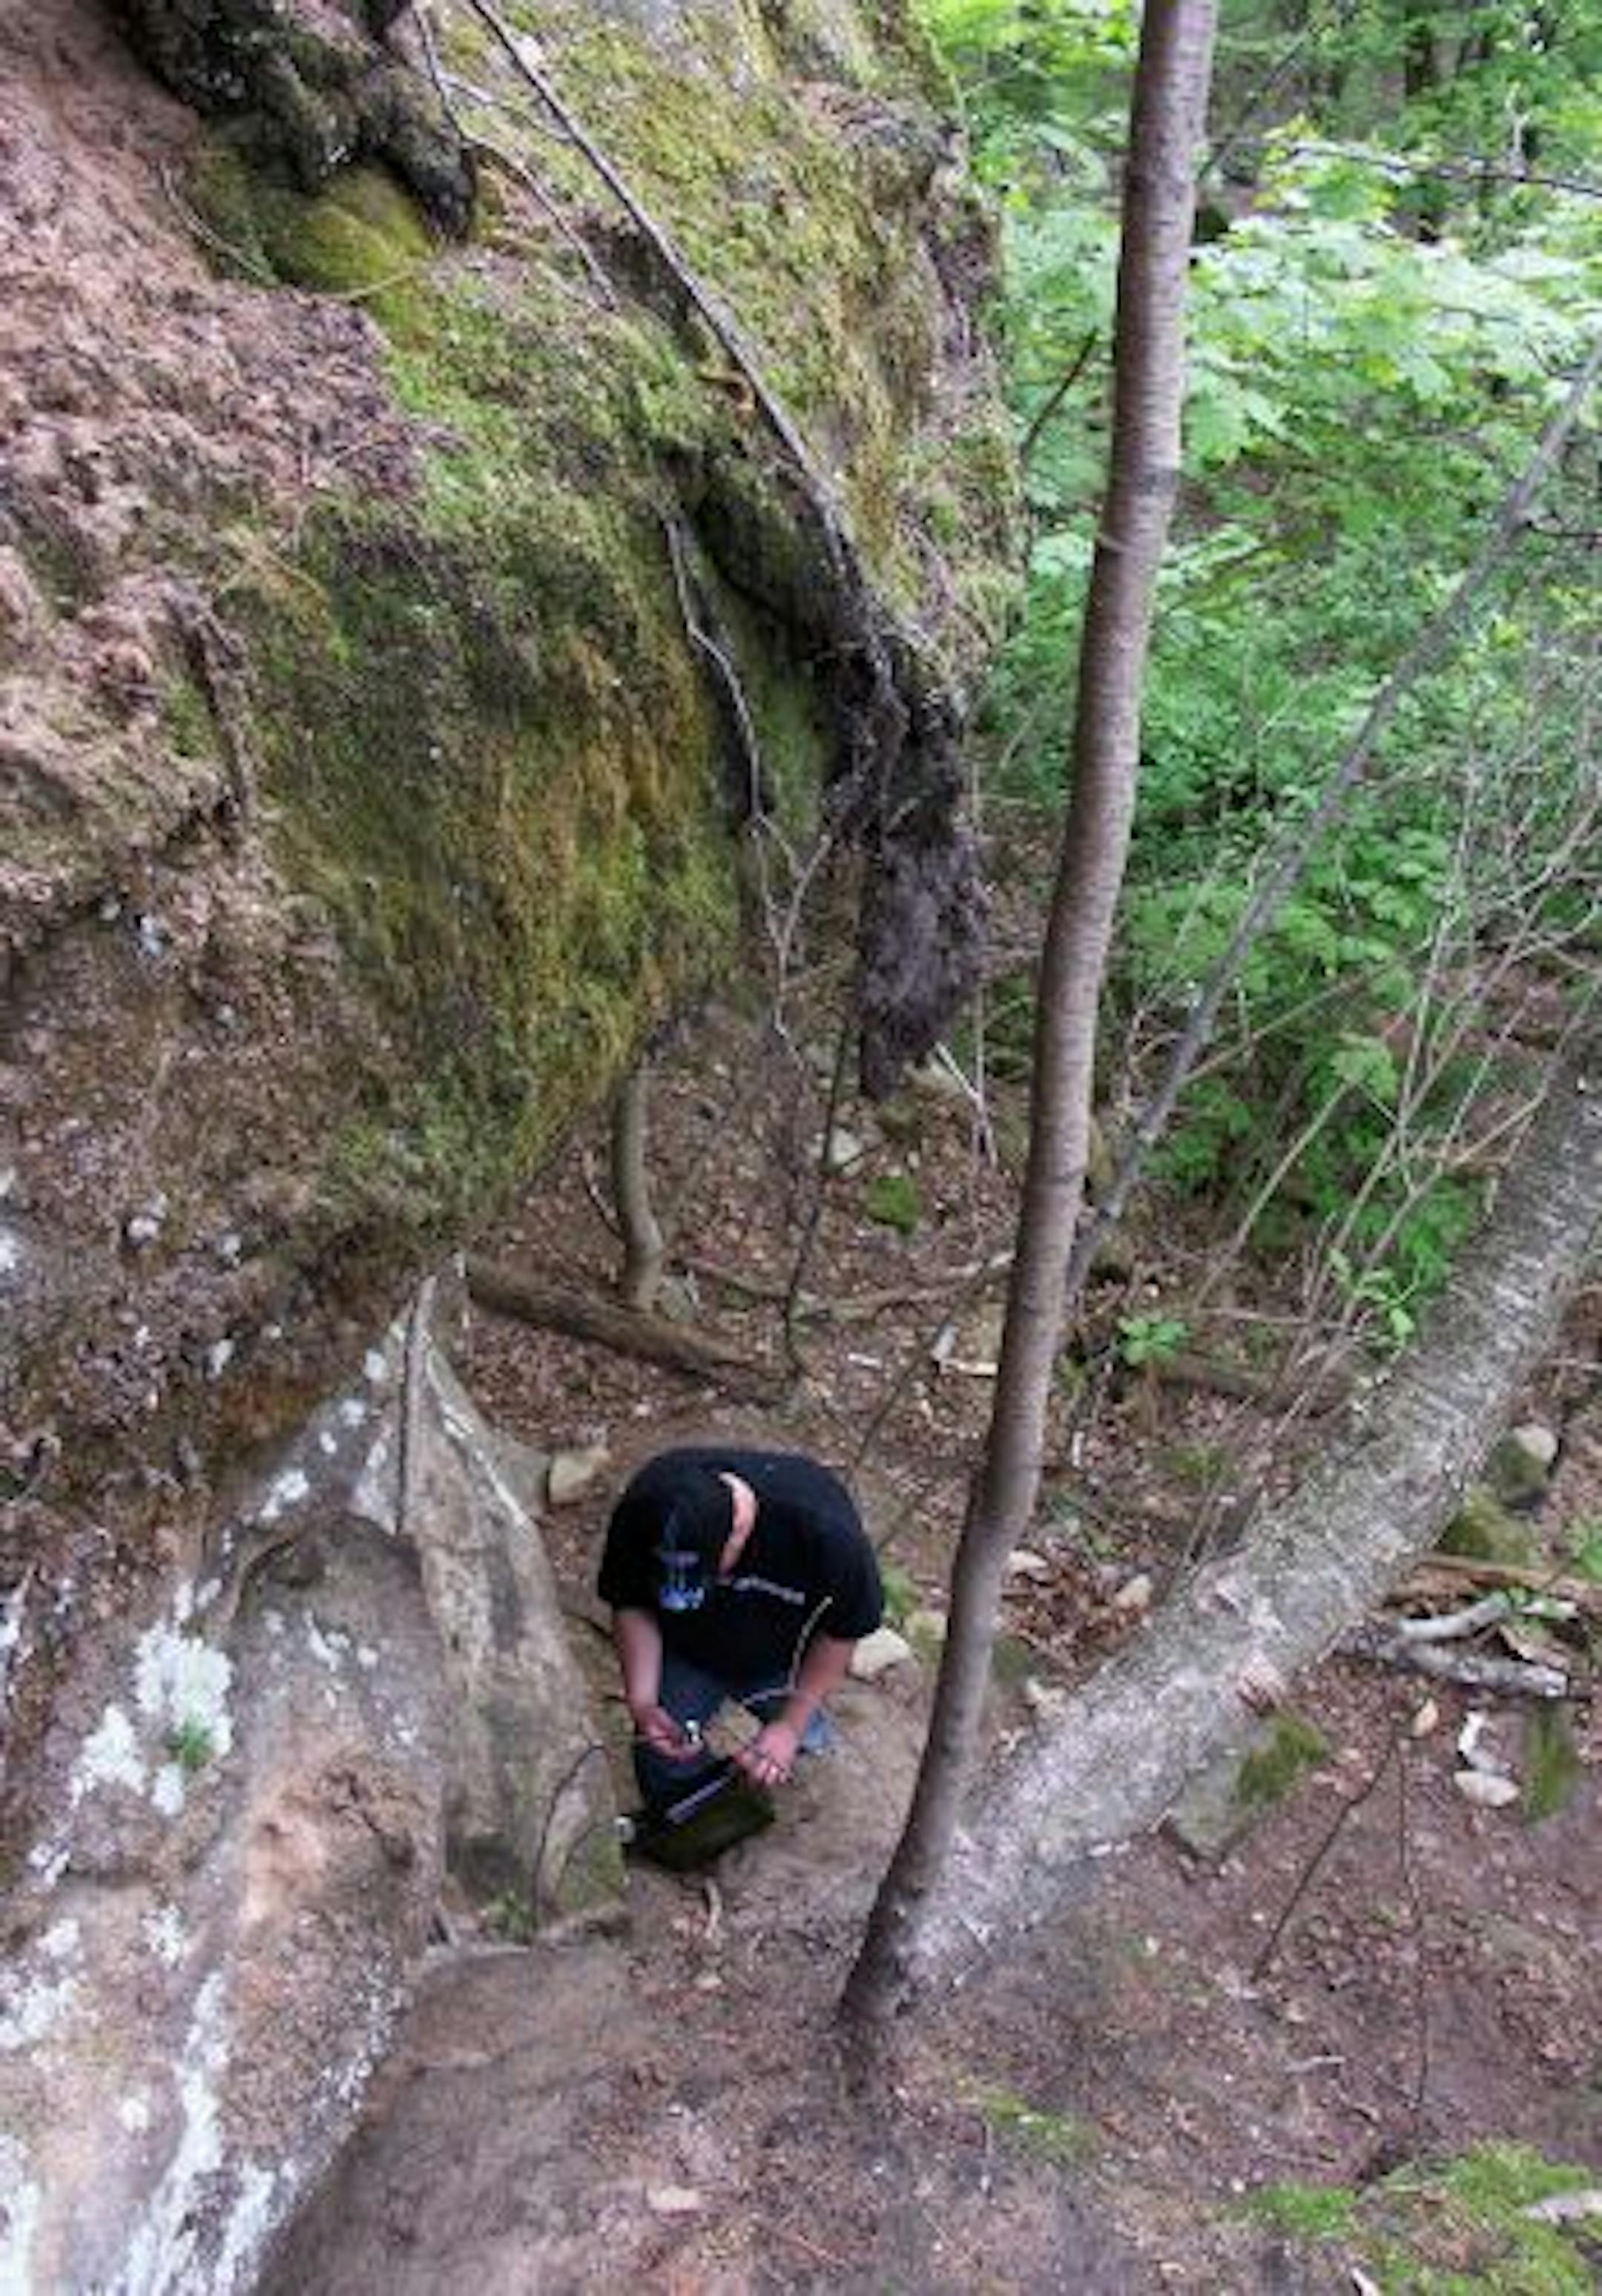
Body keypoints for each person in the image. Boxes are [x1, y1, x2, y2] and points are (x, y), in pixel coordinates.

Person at [597, 1444, 881, 1811]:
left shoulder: (823, 1532)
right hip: (688, 1650)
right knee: (661, 1756)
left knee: (805, 1745)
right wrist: (643, 1700)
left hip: (788, 1659)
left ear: (739, 1532)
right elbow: (632, 1601)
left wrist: (790, 1726)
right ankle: (698, 1825)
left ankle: (798, 1769)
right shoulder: (646, 1508)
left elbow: (843, 1631)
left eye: (702, 1577)